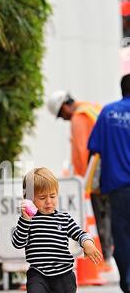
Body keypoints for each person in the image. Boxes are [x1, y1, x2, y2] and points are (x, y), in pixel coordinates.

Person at [47, 91, 113, 267]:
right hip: (112, 170)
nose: (64, 119)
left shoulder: (78, 118)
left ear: (65, 106)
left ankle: (106, 258)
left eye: (61, 115)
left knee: (101, 214)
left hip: (96, 175)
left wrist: (85, 181)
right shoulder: (92, 108)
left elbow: (83, 150)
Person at [88, 74, 130, 293]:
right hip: (119, 186)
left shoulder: (108, 113)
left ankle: (128, 286)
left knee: (122, 238)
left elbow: (94, 147)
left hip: (117, 188)